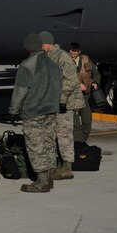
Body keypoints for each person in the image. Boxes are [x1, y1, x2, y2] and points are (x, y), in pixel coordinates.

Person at [7, 33, 62, 193]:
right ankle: (49, 177)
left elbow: (20, 91)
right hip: (51, 110)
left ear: (28, 48)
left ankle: (41, 181)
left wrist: (14, 110)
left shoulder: (26, 65)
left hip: (34, 111)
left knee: (35, 145)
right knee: (48, 143)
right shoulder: (54, 64)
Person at [40, 31, 84, 181]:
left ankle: (67, 168)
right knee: (51, 134)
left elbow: (71, 80)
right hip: (53, 103)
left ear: (48, 43)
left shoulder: (62, 56)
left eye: (41, 43)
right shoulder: (47, 56)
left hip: (64, 103)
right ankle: (56, 164)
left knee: (64, 134)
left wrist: (62, 100)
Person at [70, 42, 101, 143]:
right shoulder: (65, 61)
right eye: (71, 51)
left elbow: (95, 74)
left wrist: (95, 83)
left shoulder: (86, 59)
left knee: (87, 122)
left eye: (74, 51)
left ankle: (81, 142)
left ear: (79, 52)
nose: (72, 53)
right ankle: (79, 144)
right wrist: (77, 85)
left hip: (85, 97)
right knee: (75, 124)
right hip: (72, 97)